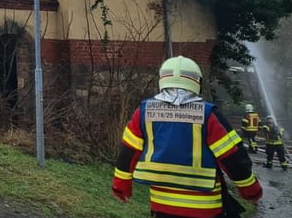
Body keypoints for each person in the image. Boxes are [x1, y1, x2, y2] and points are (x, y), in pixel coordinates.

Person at [112, 55, 262, 217]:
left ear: (163, 79)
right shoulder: (207, 114)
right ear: (196, 81)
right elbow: (232, 156)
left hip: (162, 205)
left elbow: (127, 152)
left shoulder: (143, 111)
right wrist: (250, 190)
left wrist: (121, 186)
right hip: (205, 207)